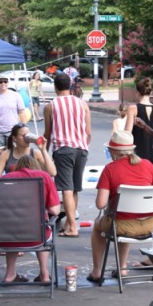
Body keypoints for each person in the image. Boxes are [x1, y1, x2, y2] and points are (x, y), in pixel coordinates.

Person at [86, 131, 153, 283]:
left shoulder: (110, 169)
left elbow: (100, 204)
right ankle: (122, 267)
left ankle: (97, 271)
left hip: (123, 226)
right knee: (127, 217)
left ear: (113, 151)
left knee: (99, 226)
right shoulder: (147, 165)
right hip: (152, 225)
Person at [0, 155, 61, 283]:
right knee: (44, 227)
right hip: (36, 235)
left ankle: (9, 275)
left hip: (5, 236)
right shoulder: (43, 176)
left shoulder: (5, 179)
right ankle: (44, 274)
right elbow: (55, 210)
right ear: (36, 166)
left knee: (12, 225)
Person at [44, 72, 91, 237]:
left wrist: (45, 154)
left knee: (66, 189)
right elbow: (88, 132)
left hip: (63, 149)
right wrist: (84, 145)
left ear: (55, 87)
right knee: (74, 189)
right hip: (81, 149)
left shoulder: (51, 105)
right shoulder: (82, 104)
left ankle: (72, 227)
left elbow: (47, 134)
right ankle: (71, 224)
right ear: (70, 86)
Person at [0, 76, 28, 158]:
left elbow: (22, 112)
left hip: (12, 130)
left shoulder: (16, 96)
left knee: (12, 152)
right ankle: (2, 170)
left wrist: (25, 128)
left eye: (5, 81)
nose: (3, 83)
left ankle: (11, 170)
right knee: (0, 153)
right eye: (0, 82)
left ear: (8, 83)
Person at [124, 77, 153, 169]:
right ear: (150, 92)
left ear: (137, 92)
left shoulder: (133, 108)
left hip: (138, 152)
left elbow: (127, 133)